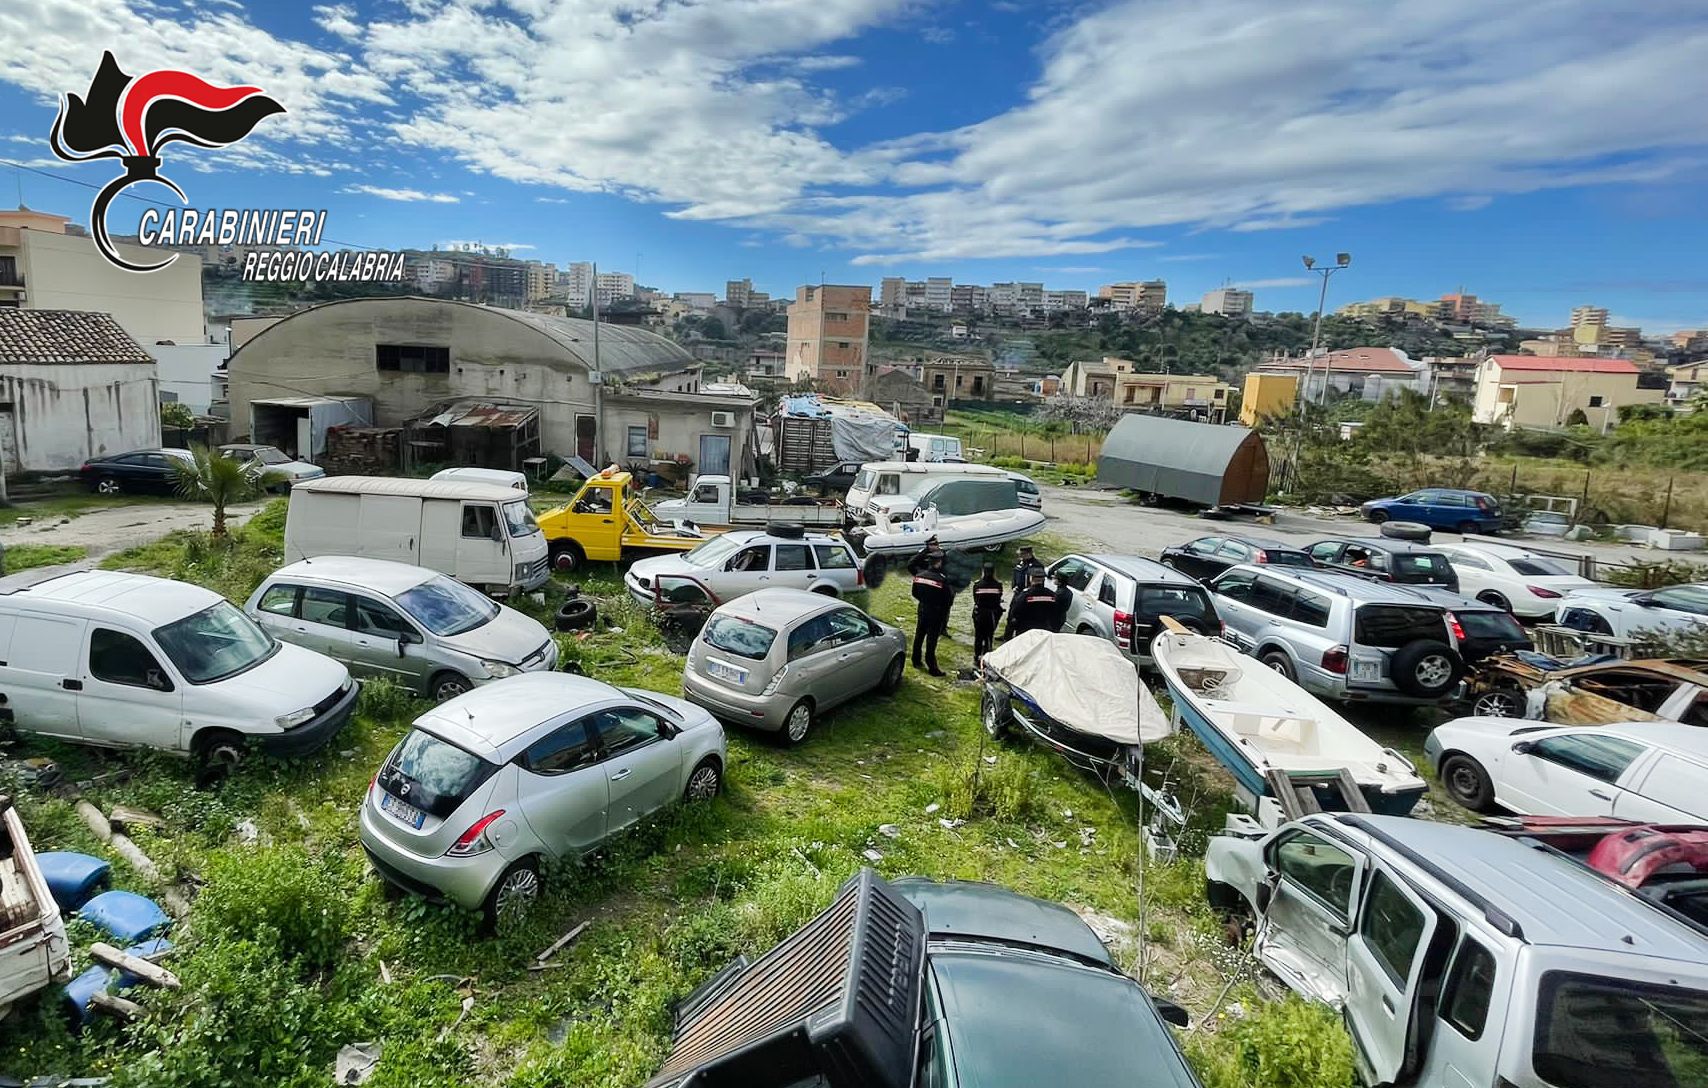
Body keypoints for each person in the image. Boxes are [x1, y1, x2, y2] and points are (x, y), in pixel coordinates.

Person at [910, 553, 954, 676]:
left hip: (923, 608)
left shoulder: (919, 576)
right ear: (938, 563)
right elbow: (948, 600)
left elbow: (914, 593)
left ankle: (916, 660)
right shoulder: (942, 580)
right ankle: (932, 667)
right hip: (936, 612)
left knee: (919, 635)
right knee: (931, 640)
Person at [1005, 567, 1064, 638]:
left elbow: (1015, 612)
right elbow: (1057, 614)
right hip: (1044, 631)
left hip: (1026, 631)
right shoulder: (1052, 595)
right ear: (1043, 579)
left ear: (1031, 578)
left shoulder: (1025, 595)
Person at [970, 562, 1005, 664]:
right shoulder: (998, 585)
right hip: (992, 614)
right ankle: (987, 655)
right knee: (989, 635)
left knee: (979, 636)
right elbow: (998, 599)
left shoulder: (977, 585)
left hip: (980, 614)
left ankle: (977, 656)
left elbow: (976, 600)